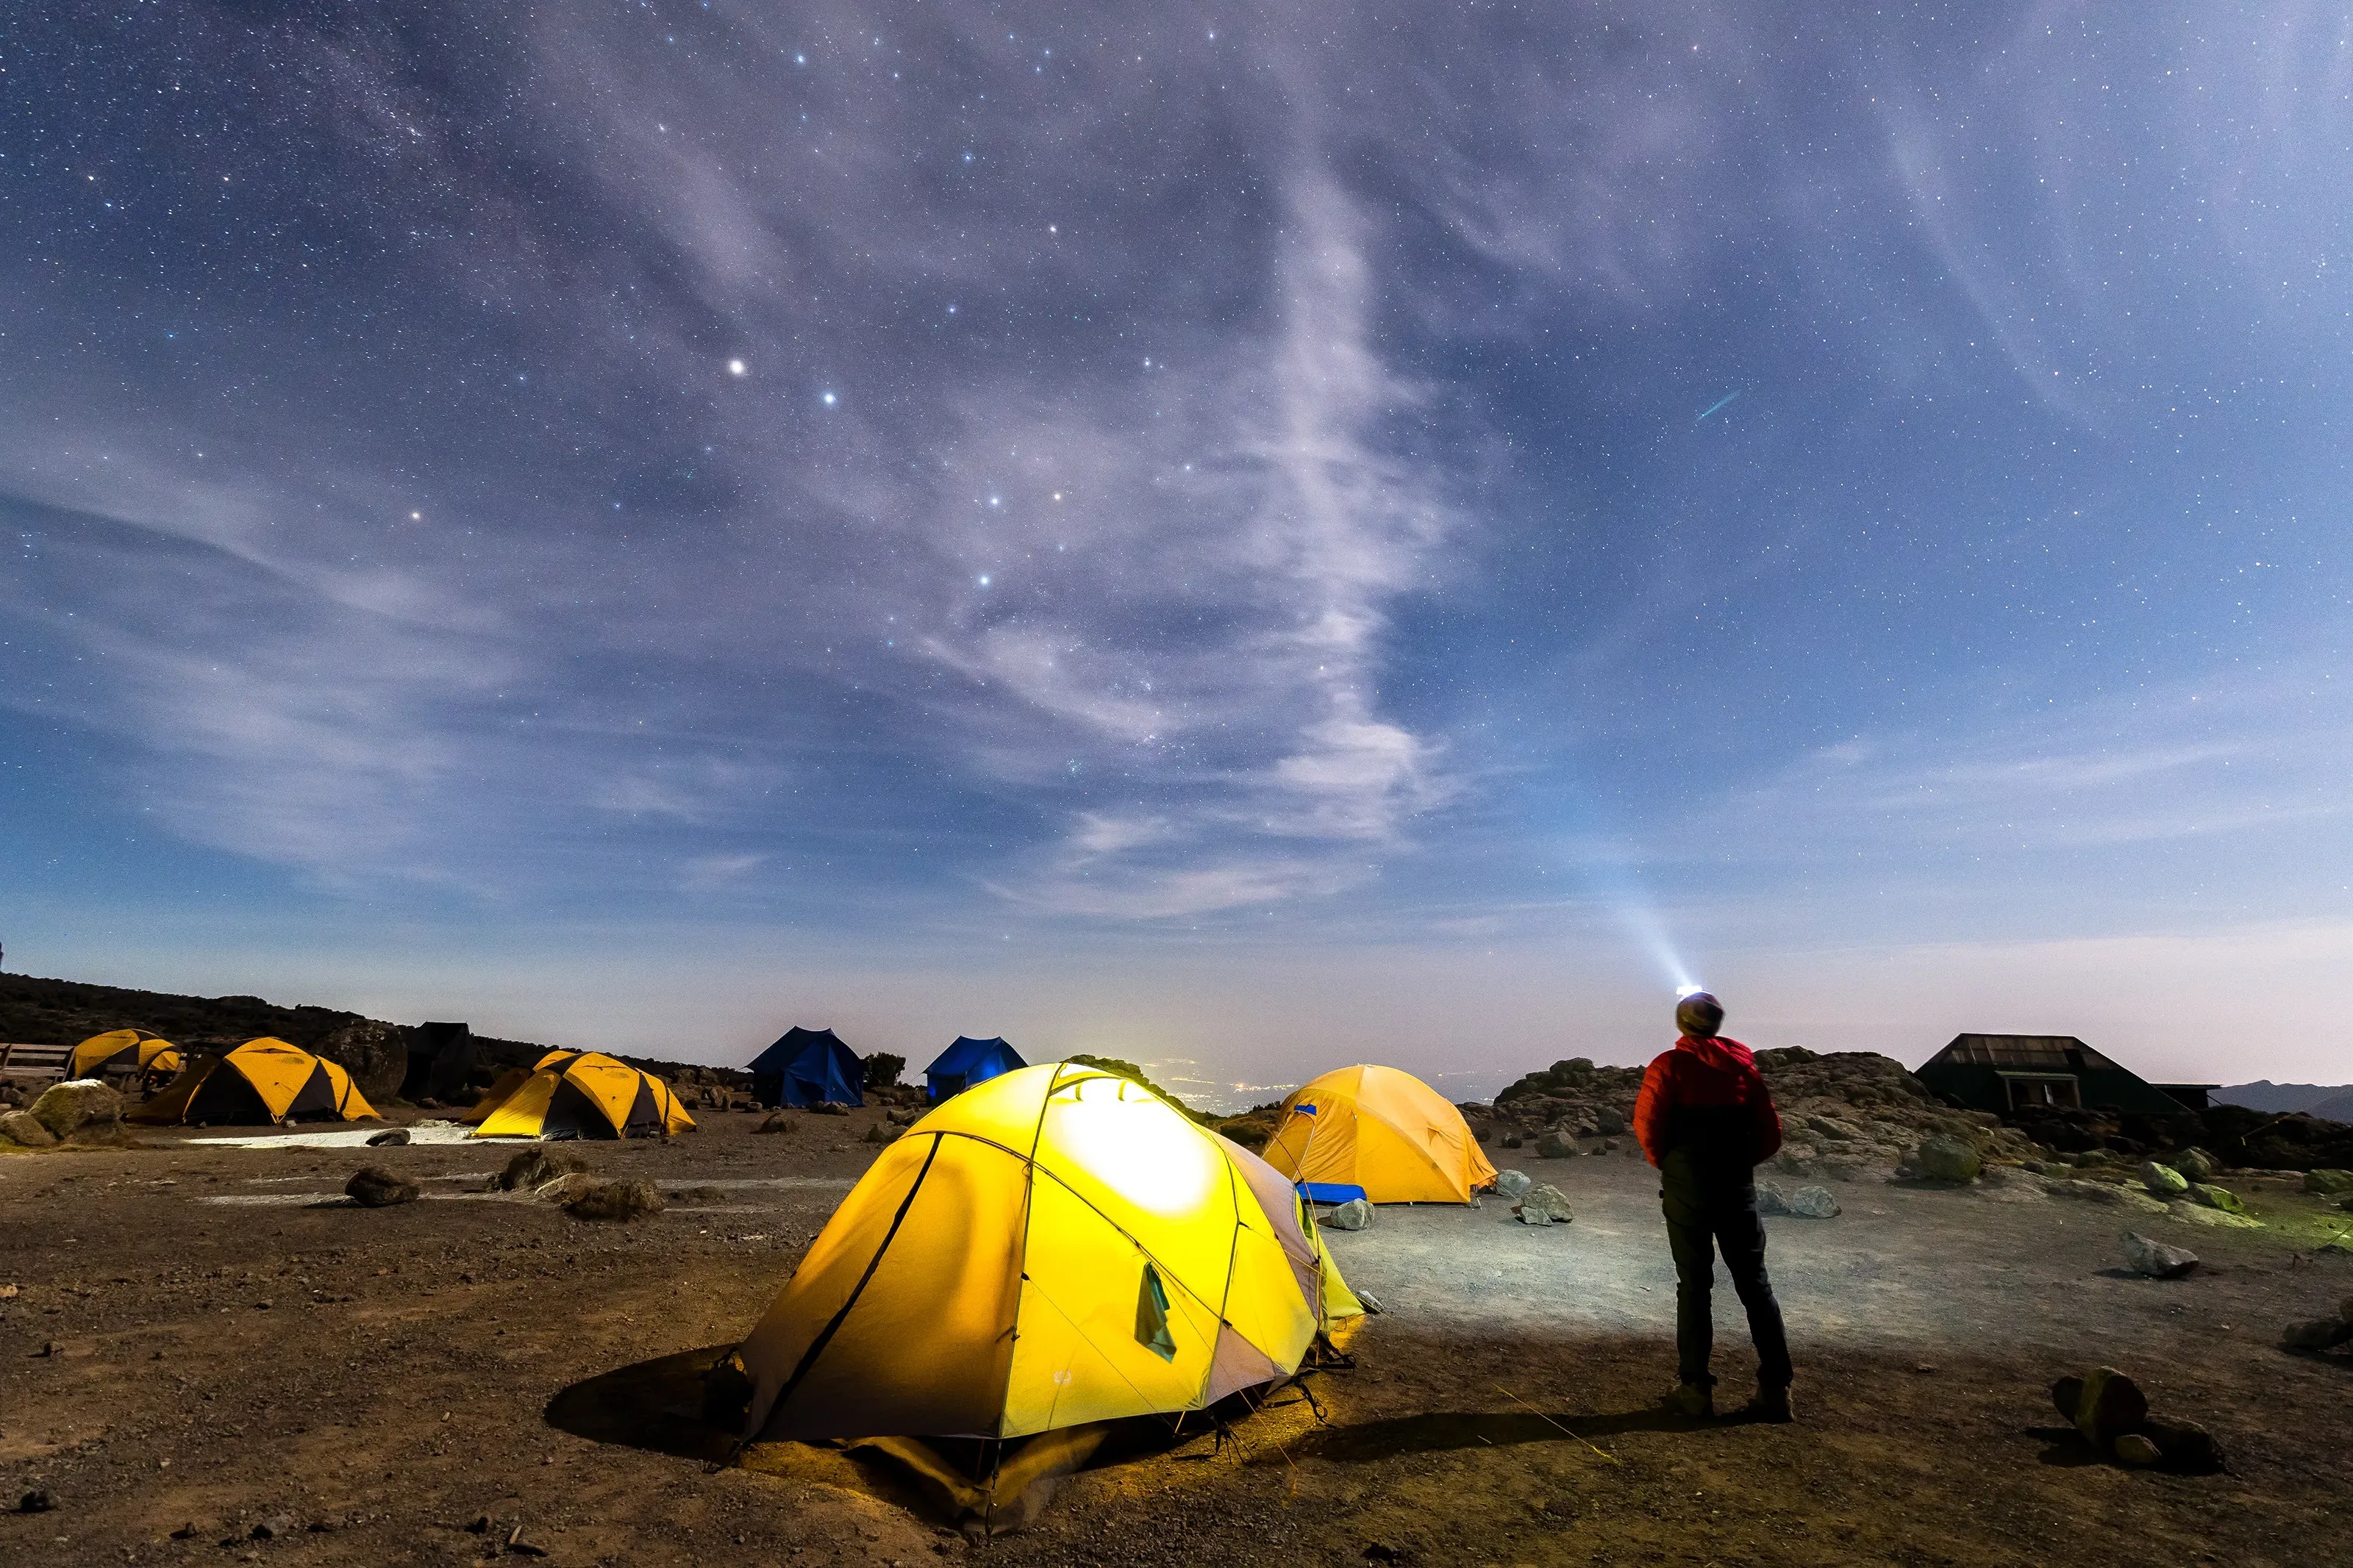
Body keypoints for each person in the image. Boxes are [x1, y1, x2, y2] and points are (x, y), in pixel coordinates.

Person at [1632, 990, 1794, 1422]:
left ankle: (1696, 1390)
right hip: (1736, 1187)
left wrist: (1671, 1164)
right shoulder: (1745, 1070)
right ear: (1717, 1024)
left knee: (1694, 1284)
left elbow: (1648, 1126)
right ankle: (1776, 1391)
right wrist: (1738, 1165)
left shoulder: (1669, 1066)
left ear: (1683, 1024)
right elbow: (1770, 1133)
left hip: (1688, 1188)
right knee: (1755, 1285)